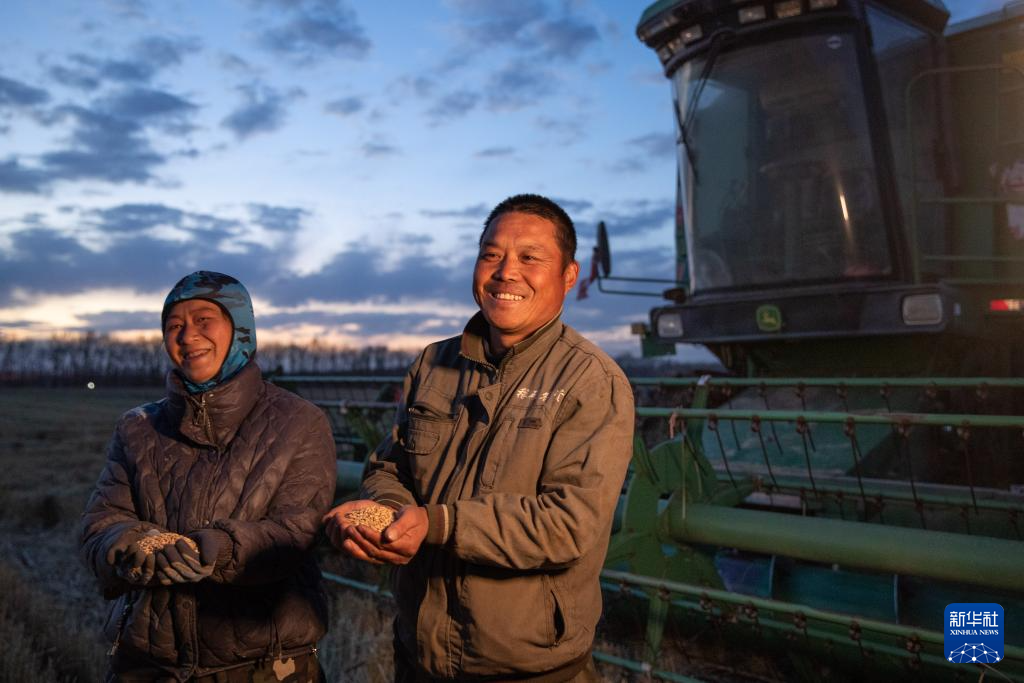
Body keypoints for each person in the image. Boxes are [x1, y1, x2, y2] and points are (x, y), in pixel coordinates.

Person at [323, 194, 635, 682]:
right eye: (491, 254)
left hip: (529, 668)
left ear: (569, 277)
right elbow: (389, 467)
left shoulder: (591, 381)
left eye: (530, 257)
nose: (506, 271)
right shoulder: (432, 364)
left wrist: (437, 524)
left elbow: (570, 524)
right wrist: (385, 515)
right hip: (419, 654)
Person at [79, 271, 336, 682]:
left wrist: (217, 549)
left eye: (203, 320)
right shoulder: (138, 427)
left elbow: (295, 532)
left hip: (263, 668)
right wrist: (133, 545)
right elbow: (99, 526)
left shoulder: (299, 422)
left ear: (240, 328)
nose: (187, 336)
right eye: (174, 326)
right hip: (150, 666)